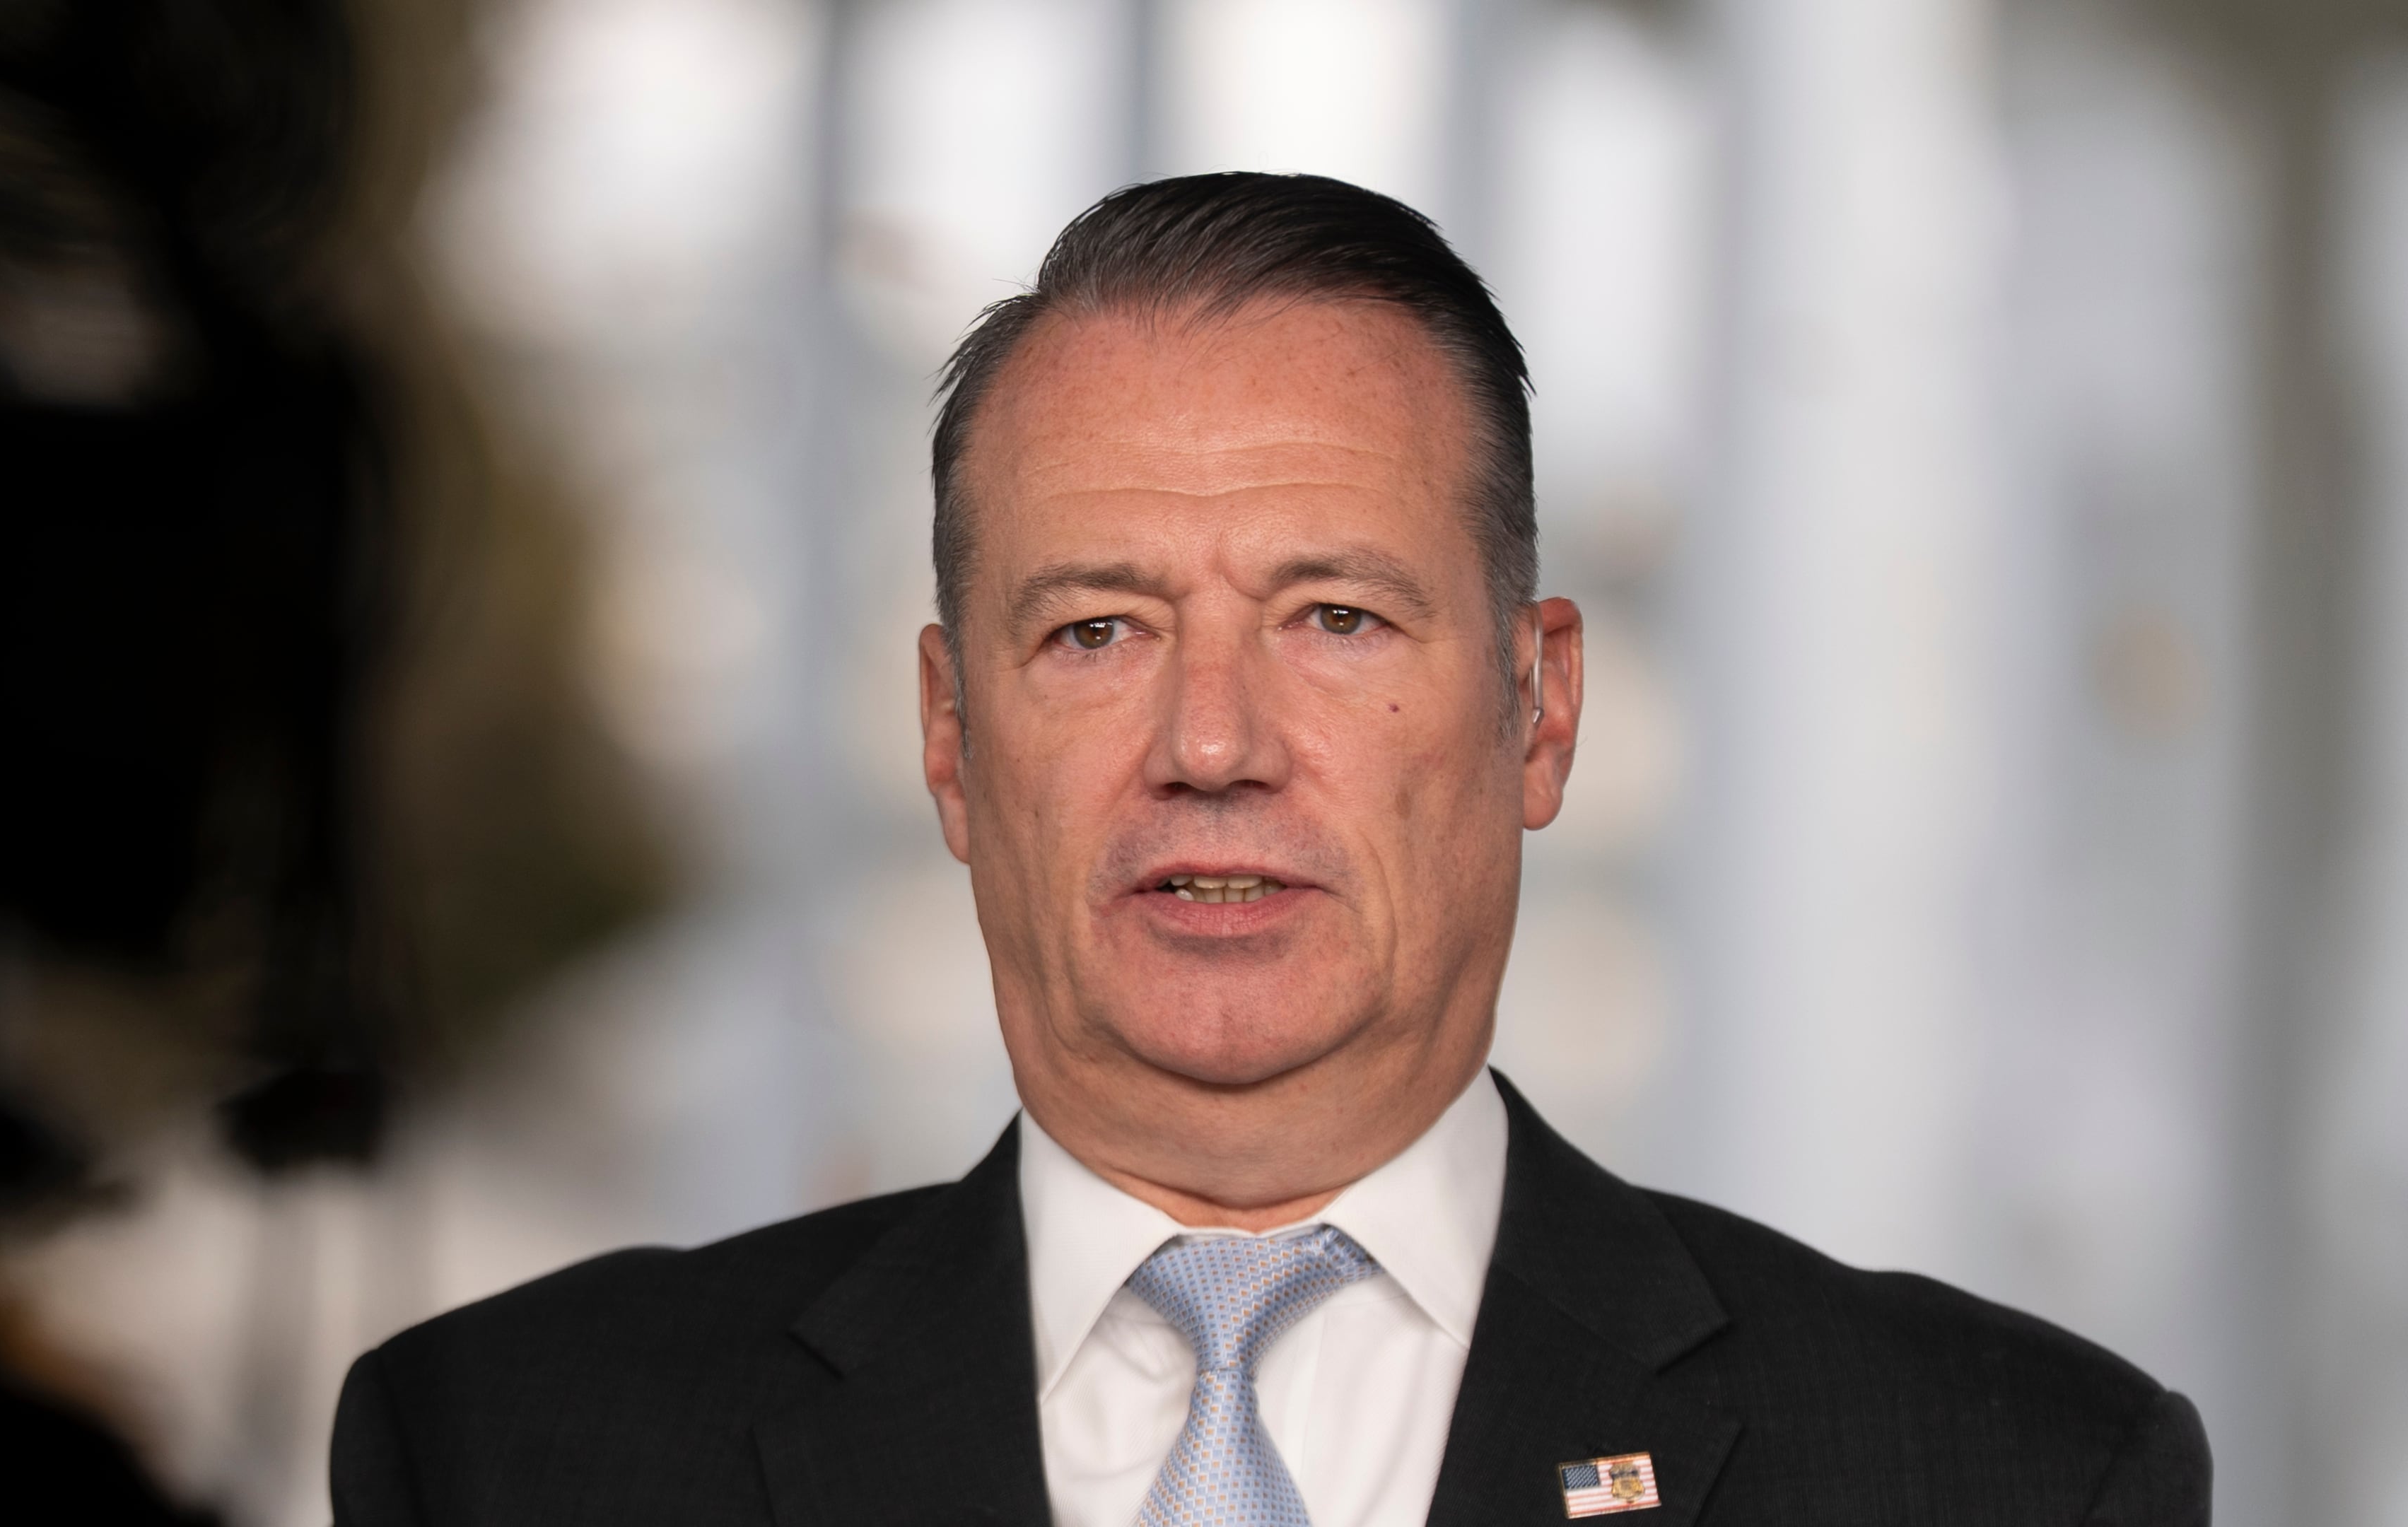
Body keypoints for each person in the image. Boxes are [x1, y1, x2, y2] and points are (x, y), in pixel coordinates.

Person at [329, 173, 2211, 1527]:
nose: (1212, 744)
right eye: (1096, 631)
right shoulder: (512, 1458)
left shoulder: (2010, 1478)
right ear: (949, 739)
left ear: (1540, 710)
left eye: (1335, 619)